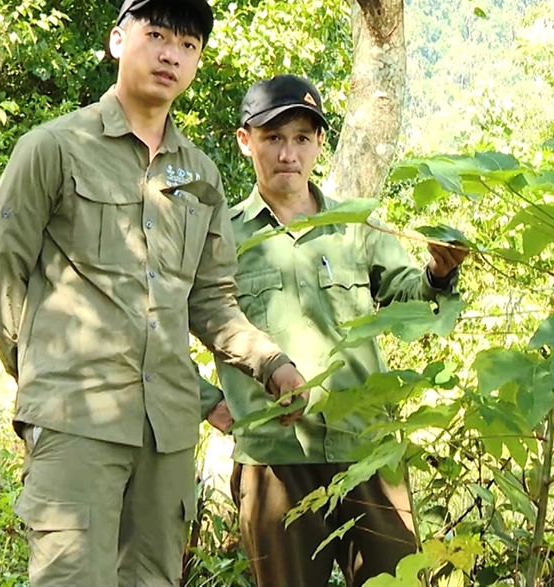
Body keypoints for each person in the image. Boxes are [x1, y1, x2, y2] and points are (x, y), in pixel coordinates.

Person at [0, 0, 308, 587]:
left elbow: (210, 300)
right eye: (155, 36)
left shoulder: (199, 174)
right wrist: (35, 366)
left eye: (187, 43)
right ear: (118, 40)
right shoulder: (54, 148)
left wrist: (270, 362)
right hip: (76, 420)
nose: (171, 53)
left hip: (168, 431)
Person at [199, 74, 467, 586]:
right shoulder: (221, 238)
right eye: (273, 137)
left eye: (302, 137)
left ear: (320, 143)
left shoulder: (357, 226)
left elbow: (411, 295)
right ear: (245, 141)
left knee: (399, 579)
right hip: (278, 457)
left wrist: (439, 273)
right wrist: (203, 399)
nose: (288, 153)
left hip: (368, 446)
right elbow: (179, 318)